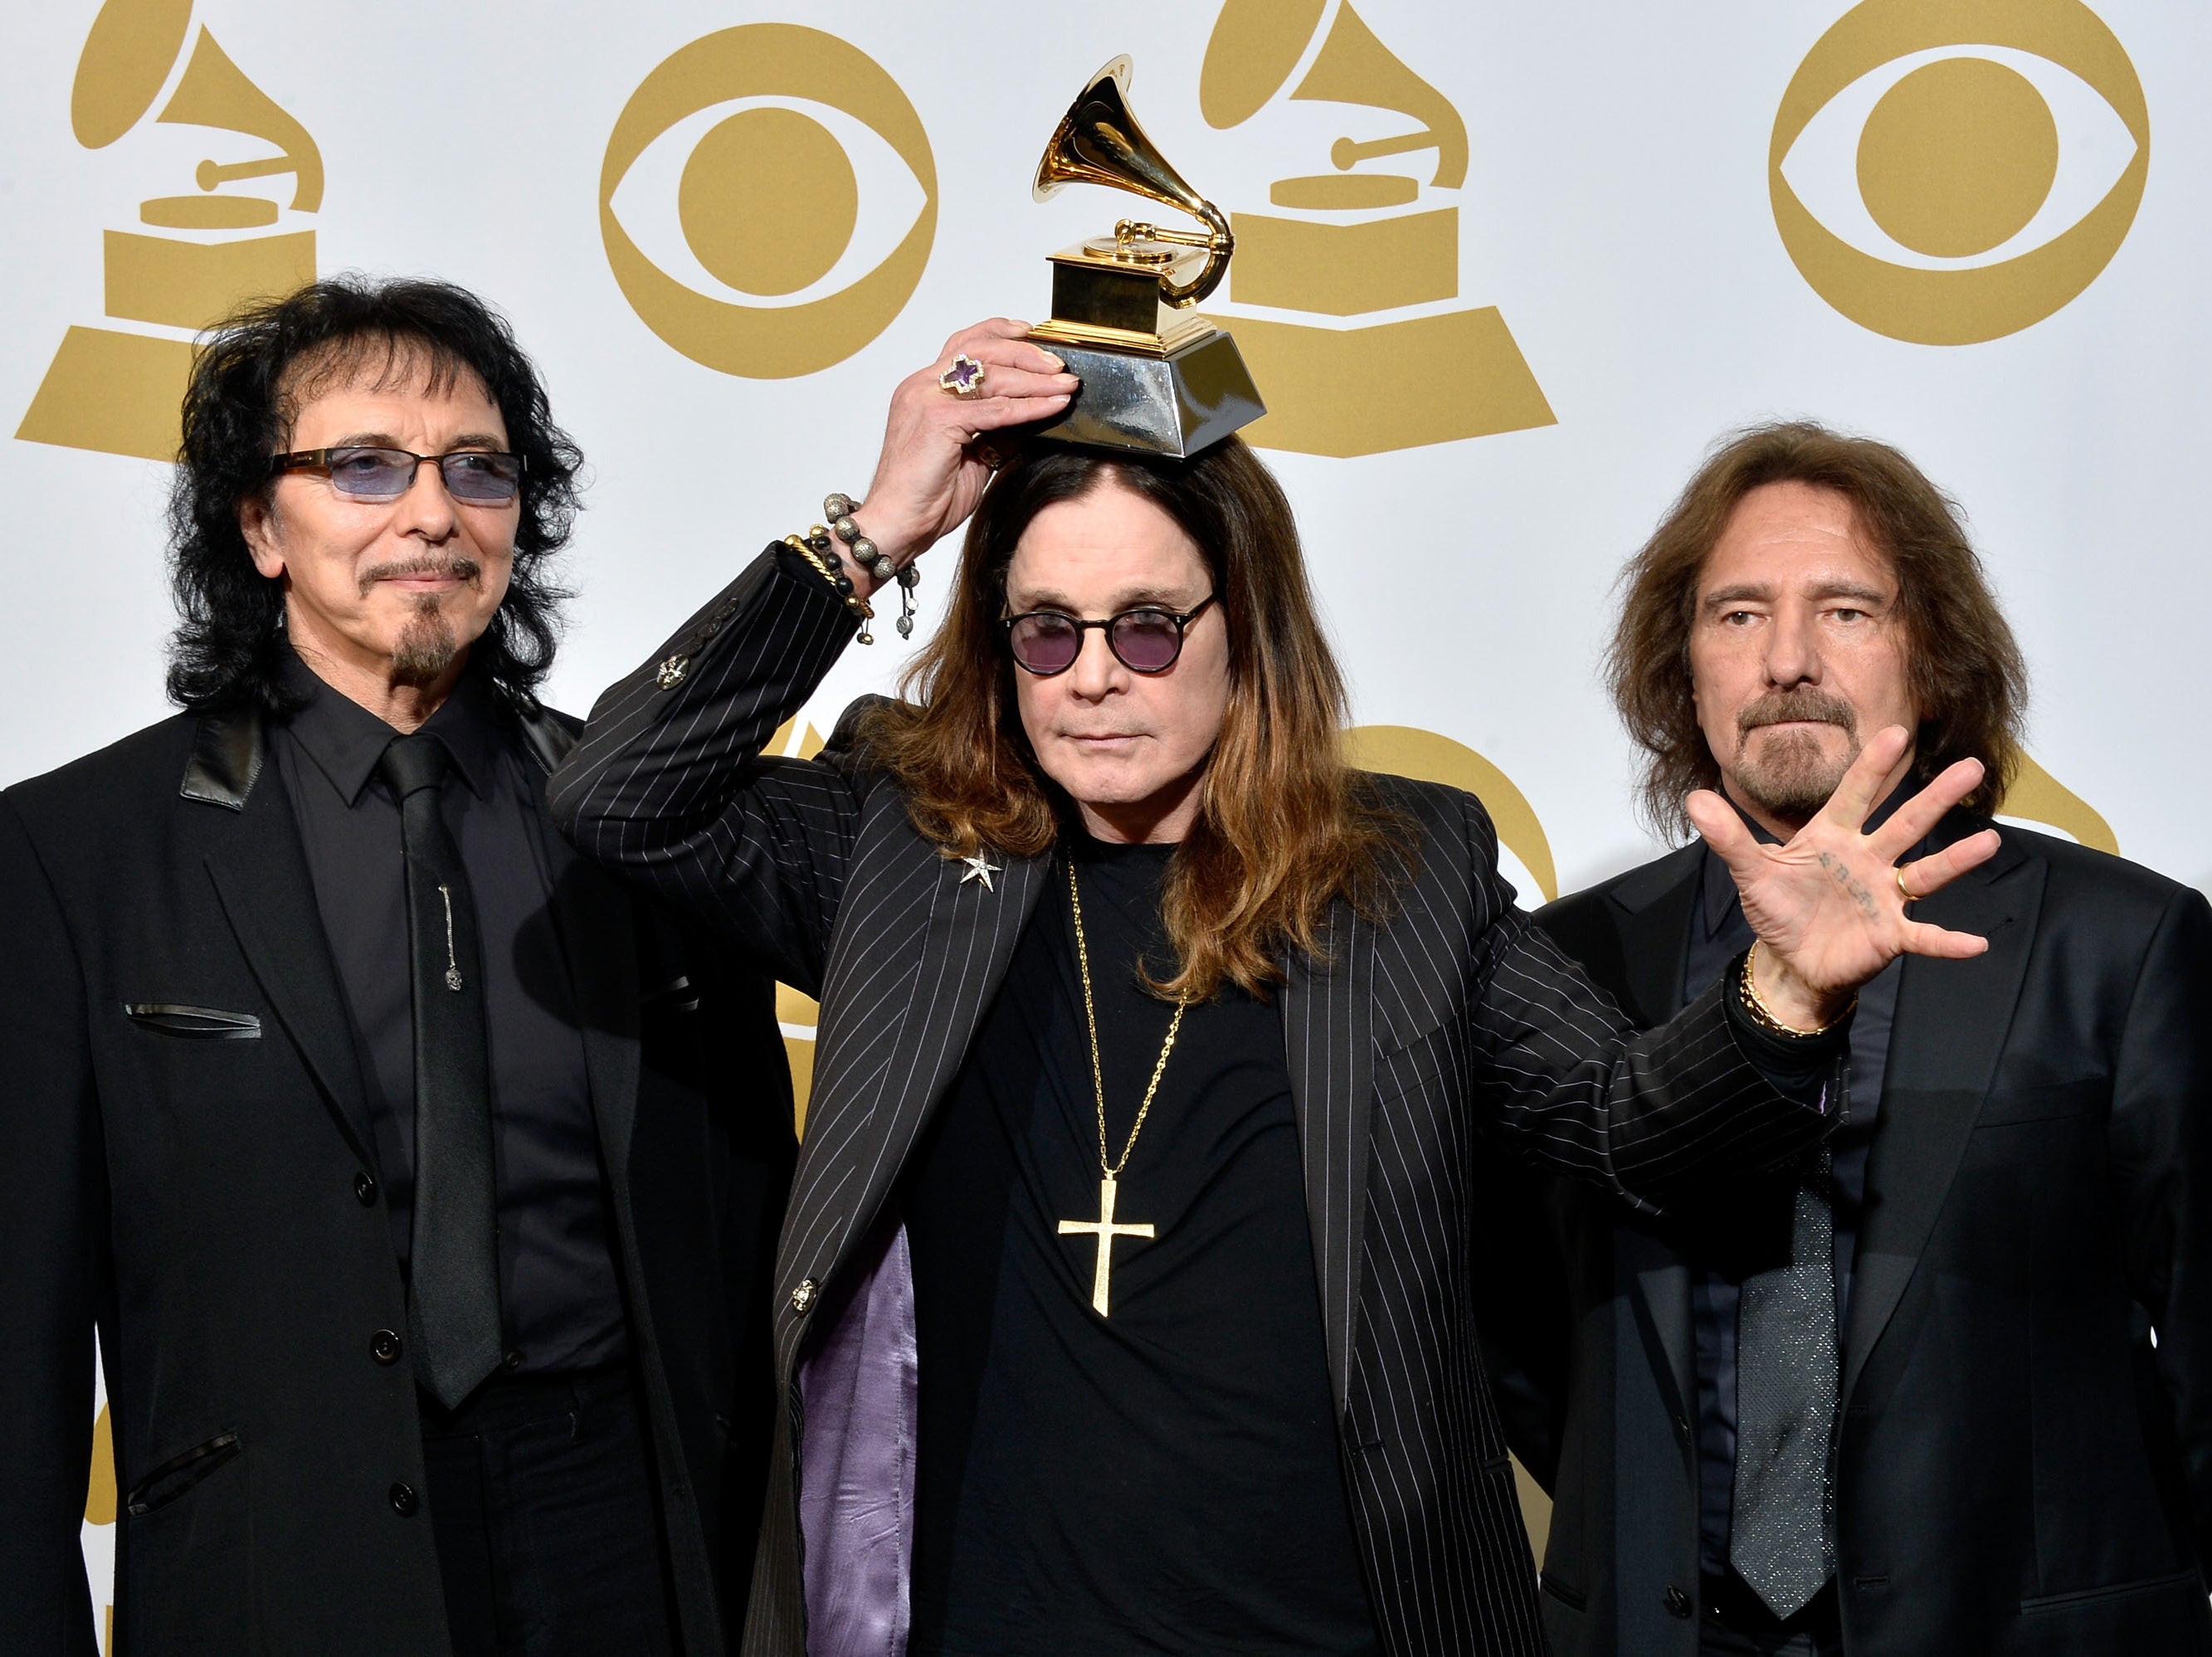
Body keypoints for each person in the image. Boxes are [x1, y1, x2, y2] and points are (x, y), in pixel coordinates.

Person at [548, 322, 1998, 1657]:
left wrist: (1782, 998)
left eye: (1146, 626)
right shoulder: (904, 851)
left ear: (1243, 633)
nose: (1091, 677)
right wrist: (873, 531)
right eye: (1044, 629)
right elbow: (618, 794)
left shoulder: (1399, 871)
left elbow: (1630, 1128)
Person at [0, 277, 795, 1657]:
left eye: (478, 469)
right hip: (277, 1565)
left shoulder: (641, 829)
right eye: (363, 466)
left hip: (631, 1552)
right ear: (258, 523)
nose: (432, 511)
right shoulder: (75, 853)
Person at [1506, 422, 2212, 1655]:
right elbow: (1518, 1338)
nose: (1784, 658)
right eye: (1734, 615)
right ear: (1681, 671)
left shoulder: (2121, 945)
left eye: (1843, 610)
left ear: (1928, 656)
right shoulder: (1570, 963)